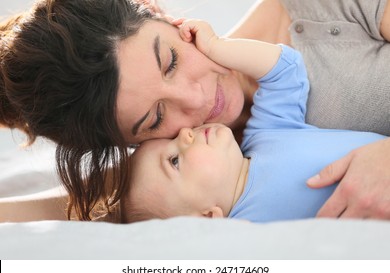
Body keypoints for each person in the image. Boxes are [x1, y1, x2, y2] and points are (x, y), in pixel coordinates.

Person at [1, 0, 390, 221]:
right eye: (155, 118)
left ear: (156, 11)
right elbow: (56, 209)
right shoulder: (184, 171)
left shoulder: (326, 10)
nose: (199, 100)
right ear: (129, 144)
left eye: (170, 60)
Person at [119, 19, 386, 223]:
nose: (186, 133)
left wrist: (217, 46)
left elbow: (285, 70)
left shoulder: (267, 134)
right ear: (208, 218)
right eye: (174, 160)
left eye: (171, 62)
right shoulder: (246, 231)